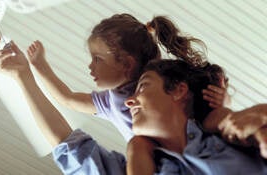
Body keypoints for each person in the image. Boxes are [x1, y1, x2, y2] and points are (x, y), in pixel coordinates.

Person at [0, 36, 267, 174]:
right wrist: (23, 75)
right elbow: (67, 144)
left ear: (179, 91)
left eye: (143, 86)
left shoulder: (232, 135)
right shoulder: (136, 166)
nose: (130, 100)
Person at [26, 14, 229, 142]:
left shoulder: (163, 85)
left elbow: (205, 105)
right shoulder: (111, 101)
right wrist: (39, 66)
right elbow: (67, 99)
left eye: (97, 59)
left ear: (126, 64)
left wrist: (222, 102)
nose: (90, 66)